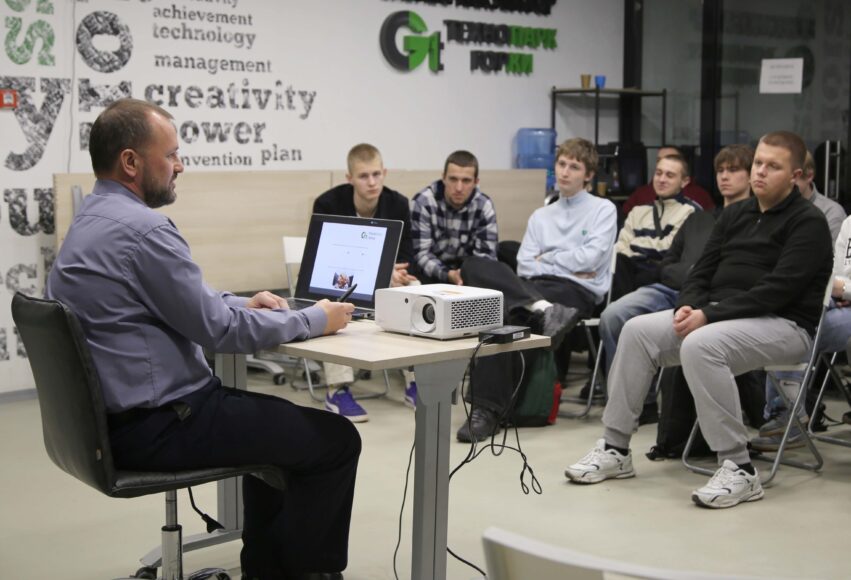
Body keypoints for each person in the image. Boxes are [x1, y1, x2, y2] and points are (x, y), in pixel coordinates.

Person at [46, 99, 359, 579]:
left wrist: (241, 302)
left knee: (276, 436)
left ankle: (267, 570)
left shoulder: (90, 222)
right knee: (335, 439)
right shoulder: (144, 230)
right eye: (171, 154)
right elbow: (222, 330)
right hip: (164, 424)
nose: (180, 165)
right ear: (130, 161)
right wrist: (315, 319)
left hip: (119, 425)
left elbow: (186, 303)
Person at [564, 131, 833, 509]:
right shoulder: (734, 215)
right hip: (720, 317)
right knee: (637, 330)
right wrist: (688, 306)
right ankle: (615, 448)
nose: (760, 171)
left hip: (785, 326)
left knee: (702, 344)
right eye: (758, 162)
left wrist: (709, 315)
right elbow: (700, 271)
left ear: (796, 175)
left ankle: (739, 468)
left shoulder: (809, 222)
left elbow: (777, 291)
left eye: (773, 166)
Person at [456, 138, 617, 441]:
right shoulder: (541, 215)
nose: (565, 172)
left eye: (574, 167)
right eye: (561, 164)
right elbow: (526, 265)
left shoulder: (603, 209)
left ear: (588, 175)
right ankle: (540, 308)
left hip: (575, 291)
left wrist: (549, 258)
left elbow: (592, 259)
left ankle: (485, 411)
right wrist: (566, 261)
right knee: (474, 265)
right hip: (535, 287)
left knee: (506, 316)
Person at [600, 145, 754, 379]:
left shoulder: (751, 221)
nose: (724, 176)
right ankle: (628, 393)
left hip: (707, 298)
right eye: (720, 170)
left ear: (751, 176)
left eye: (732, 170)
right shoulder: (700, 219)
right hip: (670, 289)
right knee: (613, 315)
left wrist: (693, 274)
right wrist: (691, 272)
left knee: (684, 334)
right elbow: (667, 264)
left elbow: (725, 273)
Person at [313, 143, 418, 422]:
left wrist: (391, 275)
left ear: (384, 173)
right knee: (331, 301)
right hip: (341, 280)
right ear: (350, 178)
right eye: (363, 176)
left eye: (376, 174)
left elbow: (407, 257)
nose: (371, 182)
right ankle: (337, 390)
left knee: (416, 289)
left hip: (386, 283)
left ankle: (414, 381)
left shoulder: (398, 203)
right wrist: (382, 272)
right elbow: (329, 260)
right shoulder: (328, 203)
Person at [750, 212, 851, 451]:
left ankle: (788, 416)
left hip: (843, 304)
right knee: (795, 323)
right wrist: (836, 289)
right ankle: (786, 415)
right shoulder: (849, 223)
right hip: (836, 305)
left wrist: (843, 289)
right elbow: (834, 272)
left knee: (803, 324)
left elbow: (839, 283)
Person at [610, 153, 700, 302]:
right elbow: (620, 248)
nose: (661, 179)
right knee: (618, 262)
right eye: (658, 173)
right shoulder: (638, 211)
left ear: (684, 182)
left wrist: (635, 244)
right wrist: (644, 253)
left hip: (664, 283)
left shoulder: (690, 212)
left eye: (670, 175)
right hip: (629, 274)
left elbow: (669, 248)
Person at [409, 150, 498, 284]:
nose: (459, 188)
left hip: (469, 276)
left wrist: (467, 275)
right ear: (443, 178)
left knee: (501, 266)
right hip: (431, 277)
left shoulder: (484, 205)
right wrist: (449, 275)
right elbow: (421, 255)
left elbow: (487, 258)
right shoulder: (423, 202)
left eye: (466, 181)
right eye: (453, 179)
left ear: (476, 182)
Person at [621, 145, 715, 214]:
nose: (664, 163)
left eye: (670, 158)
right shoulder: (641, 194)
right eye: (659, 160)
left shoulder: (699, 196)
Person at [798, 150, 845, 242]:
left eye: (792, 177)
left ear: (809, 176)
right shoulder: (773, 206)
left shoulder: (831, 212)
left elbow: (836, 250)